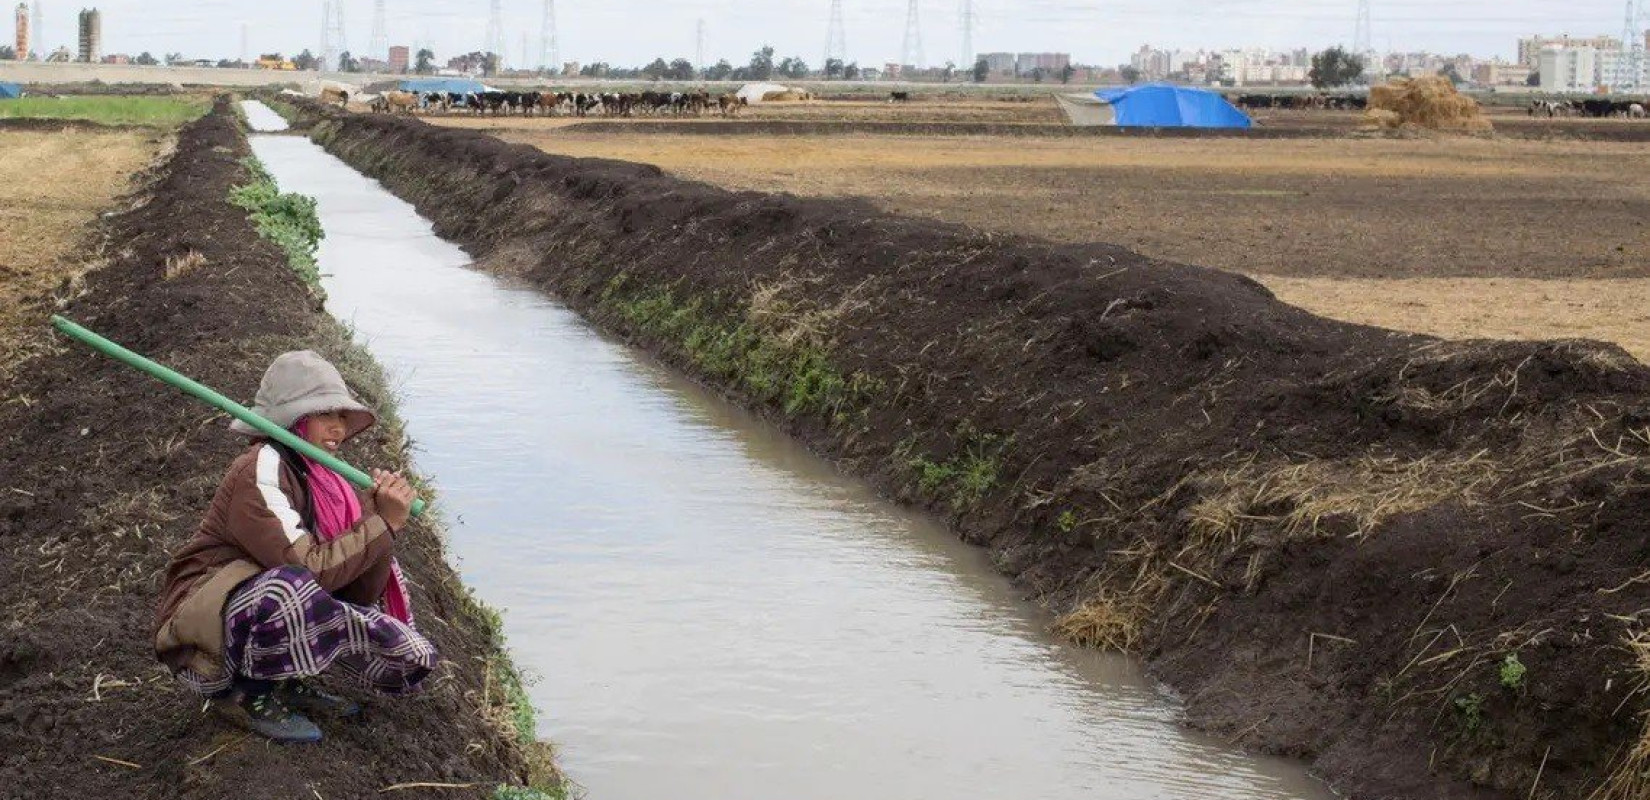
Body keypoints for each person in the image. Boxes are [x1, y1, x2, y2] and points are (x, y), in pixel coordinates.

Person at [153, 350, 437, 743]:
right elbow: (310, 570)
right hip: (202, 628)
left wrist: (376, 520)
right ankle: (245, 696)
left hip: (245, 610)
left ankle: (283, 681)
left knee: (369, 557)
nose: (338, 428)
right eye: (326, 415)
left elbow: (354, 588)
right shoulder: (260, 468)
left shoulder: (325, 482)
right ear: (295, 421)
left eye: (342, 417)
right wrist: (381, 523)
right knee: (289, 587)